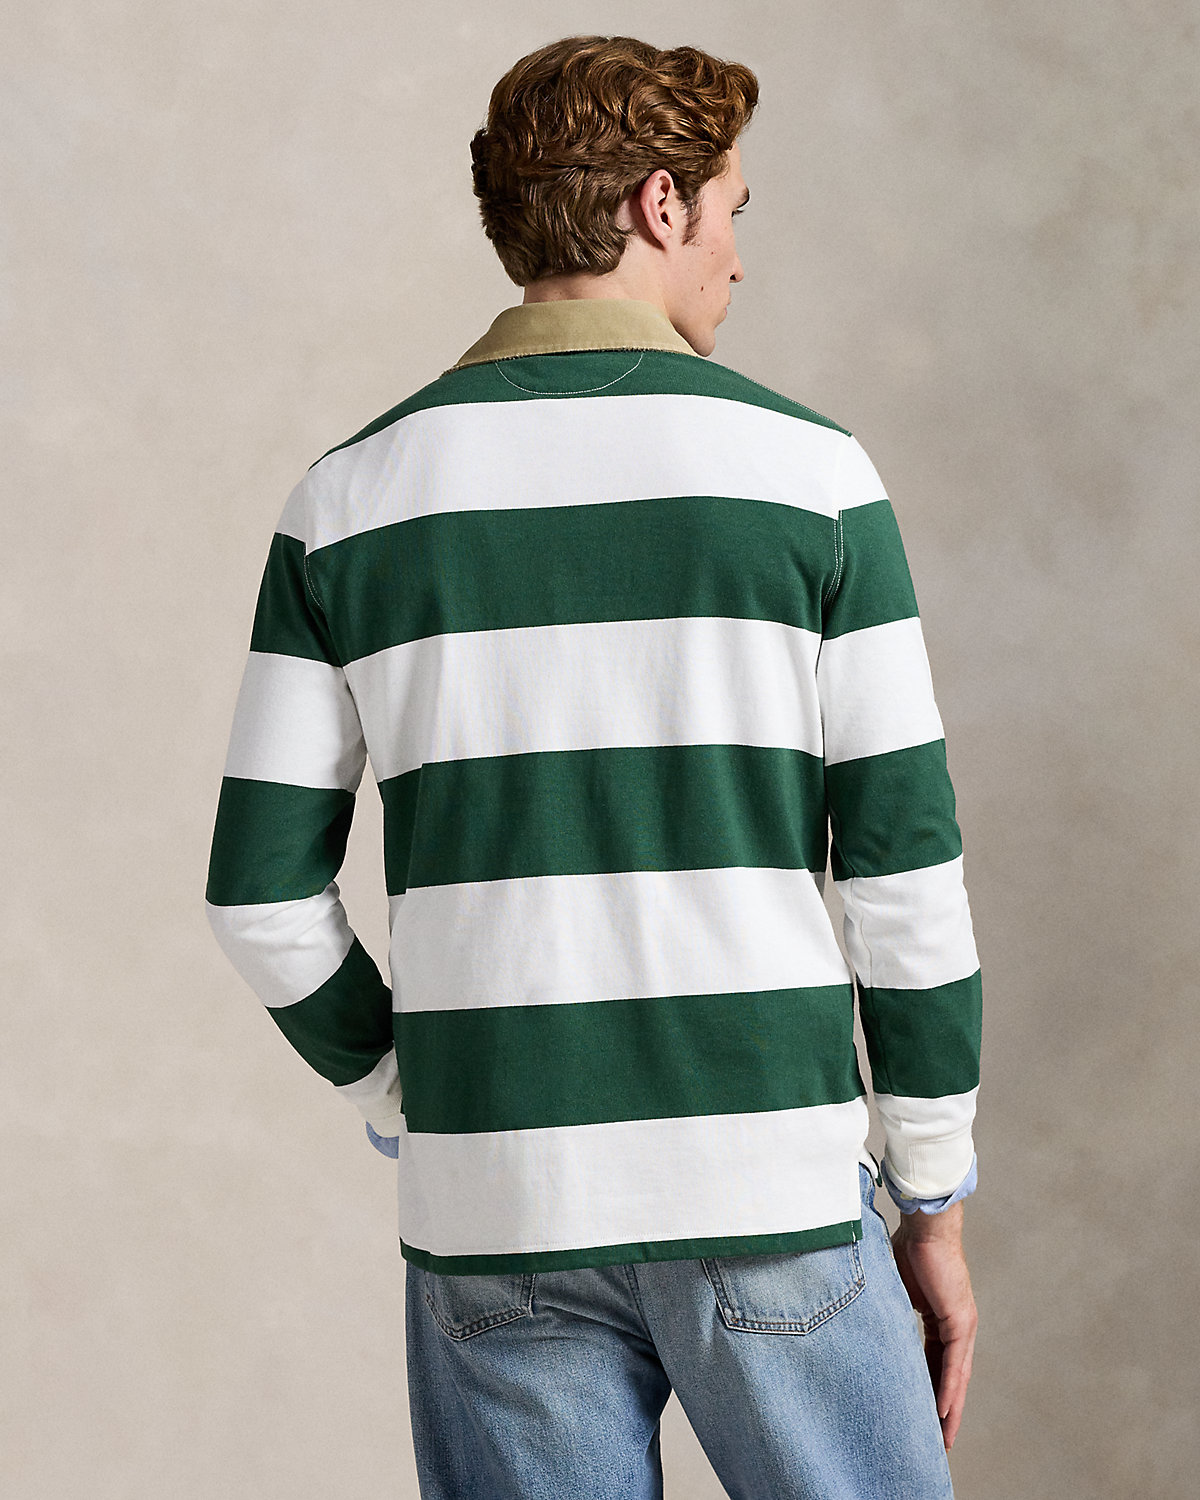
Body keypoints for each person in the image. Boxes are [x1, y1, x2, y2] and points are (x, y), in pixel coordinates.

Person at [204, 33, 982, 1500]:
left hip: (494, 1203)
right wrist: (931, 1195)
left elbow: (259, 897)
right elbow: (905, 881)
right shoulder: (814, 480)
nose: (739, 253)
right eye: (733, 207)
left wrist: (413, 1092)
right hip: (767, 1184)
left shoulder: (345, 503)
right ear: (658, 204)